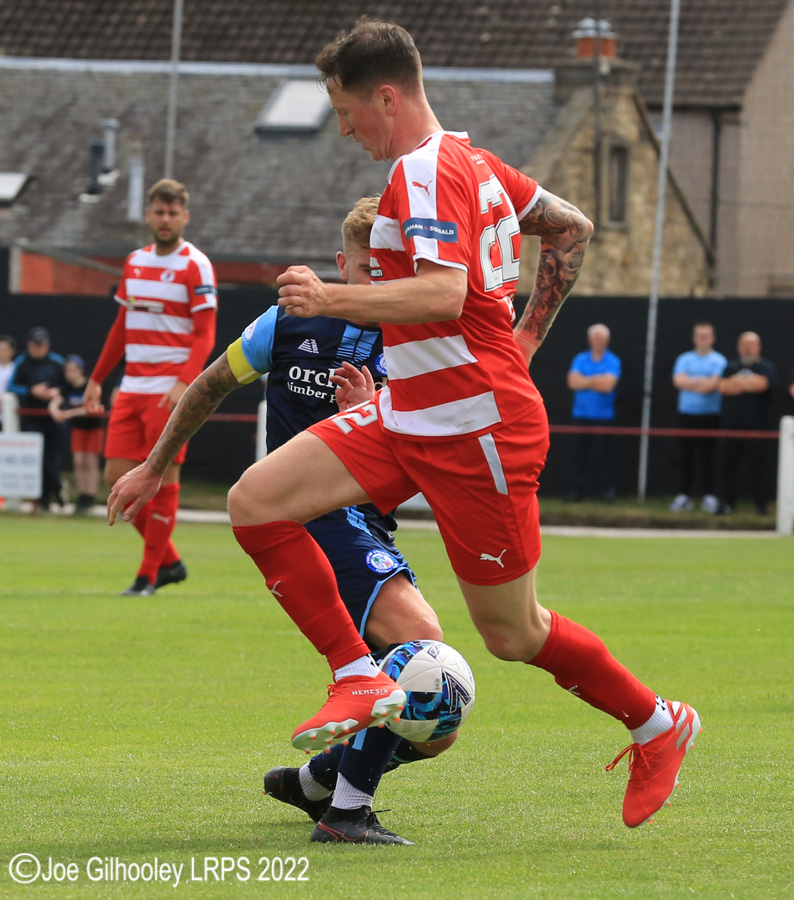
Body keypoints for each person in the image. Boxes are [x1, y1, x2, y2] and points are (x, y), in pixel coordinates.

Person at [108, 18, 700, 840]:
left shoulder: (424, 169)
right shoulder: (476, 162)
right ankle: (355, 674)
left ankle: (657, 723)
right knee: (256, 500)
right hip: (413, 407)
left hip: (475, 430)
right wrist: (523, 340)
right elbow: (569, 227)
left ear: (386, 94)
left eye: (347, 111)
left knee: (511, 633)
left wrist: (329, 297)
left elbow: (441, 295)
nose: (343, 128)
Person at [83, 178, 218, 595]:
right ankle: (171, 561)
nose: (164, 219)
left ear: (184, 217)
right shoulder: (134, 262)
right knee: (115, 476)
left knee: (164, 477)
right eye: (158, 212)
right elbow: (121, 327)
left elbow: (205, 333)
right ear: (148, 215)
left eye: (172, 213)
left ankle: (148, 575)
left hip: (169, 389)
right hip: (132, 386)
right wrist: (95, 380)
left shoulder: (196, 264)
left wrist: (184, 383)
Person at [6, 327, 68, 512]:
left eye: (42, 345)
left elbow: (66, 386)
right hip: (31, 418)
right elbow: (13, 387)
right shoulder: (22, 362)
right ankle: (48, 495)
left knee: (51, 457)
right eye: (35, 345)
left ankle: (52, 492)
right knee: (37, 459)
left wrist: (56, 392)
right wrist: (31, 391)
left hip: (53, 418)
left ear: (47, 345)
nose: (38, 348)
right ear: (29, 345)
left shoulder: (57, 362)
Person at [717, 331, 777, 515]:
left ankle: (761, 505)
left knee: (758, 468)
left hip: (756, 426)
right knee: (728, 467)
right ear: (738, 347)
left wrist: (738, 382)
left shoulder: (765, 366)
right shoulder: (731, 365)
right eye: (743, 345)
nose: (747, 349)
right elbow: (723, 387)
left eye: (751, 345)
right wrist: (747, 383)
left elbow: (762, 385)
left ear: (758, 347)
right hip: (731, 426)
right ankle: (727, 504)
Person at [670, 322, 727, 514]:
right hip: (687, 413)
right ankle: (684, 496)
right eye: (699, 335)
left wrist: (691, 382)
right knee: (685, 457)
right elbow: (678, 381)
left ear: (713, 338)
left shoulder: (719, 360)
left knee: (708, 458)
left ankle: (709, 496)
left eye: (706, 336)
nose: (702, 339)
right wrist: (703, 381)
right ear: (694, 338)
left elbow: (713, 385)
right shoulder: (684, 359)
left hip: (710, 414)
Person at [566, 324, 621, 501]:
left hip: (603, 417)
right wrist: (598, 379)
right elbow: (573, 383)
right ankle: (575, 491)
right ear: (590, 339)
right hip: (580, 415)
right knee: (577, 456)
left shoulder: (613, 361)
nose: (598, 341)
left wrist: (585, 381)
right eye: (596, 338)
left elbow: (608, 386)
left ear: (607, 340)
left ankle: (603, 491)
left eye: (602, 338)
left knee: (603, 457)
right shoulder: (580, 359)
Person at [48, 354, 104, 514]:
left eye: (73, 370)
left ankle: (90, 497)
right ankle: (81, 496)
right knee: (79, 461)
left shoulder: (89, 386)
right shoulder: (67, 387)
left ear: (80, 370)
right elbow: (56, 401)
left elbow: (91, 408)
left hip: (93, 429)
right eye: (68, 371)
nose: (70, 374)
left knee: (90, 462)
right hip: (78, 429)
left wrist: (68, 413)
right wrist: (55, 411)